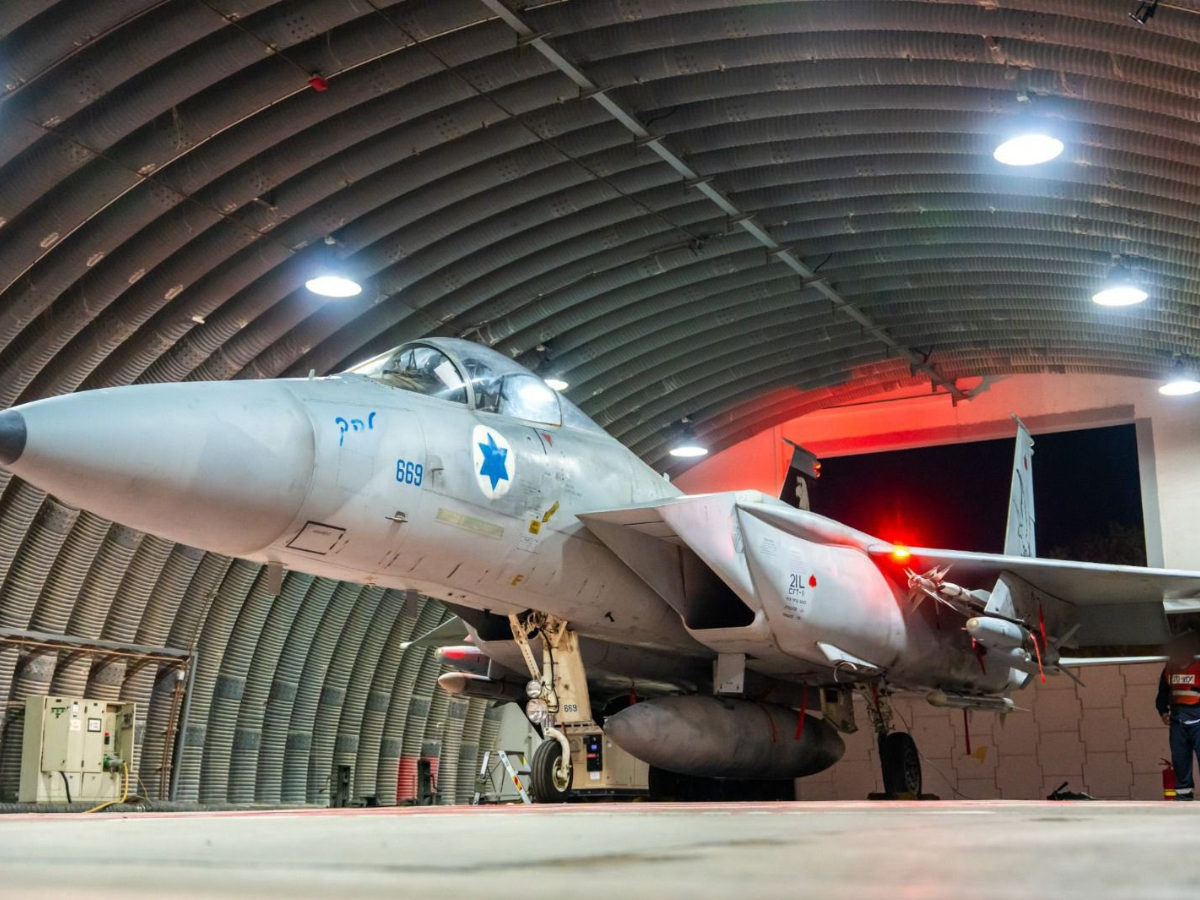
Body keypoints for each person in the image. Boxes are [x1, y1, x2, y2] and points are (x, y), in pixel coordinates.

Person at [1156, 631, 1200, 800]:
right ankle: (1183, 796)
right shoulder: (1170, 668)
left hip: (1197, 721)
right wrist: (1163, 711)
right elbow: (1163, 692)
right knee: (1180, 761)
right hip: (1178, 722)